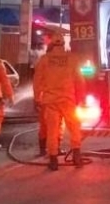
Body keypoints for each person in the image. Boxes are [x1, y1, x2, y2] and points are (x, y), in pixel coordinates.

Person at [33, 33, 85, 170]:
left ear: (51, 44)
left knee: (52, 130)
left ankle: (53, 160)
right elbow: (80, 80)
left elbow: (37, 81)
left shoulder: (44, 60)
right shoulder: (72, 59)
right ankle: (77, 156)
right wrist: (81, 97)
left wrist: (37, 99)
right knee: (74, 127)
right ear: (63, 43)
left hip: (50, 101)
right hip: (68, 99)